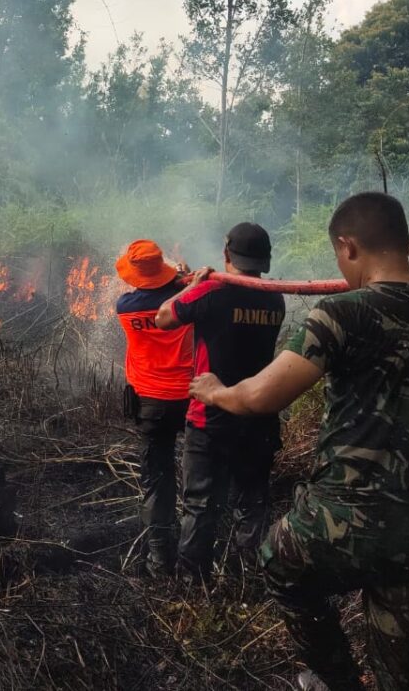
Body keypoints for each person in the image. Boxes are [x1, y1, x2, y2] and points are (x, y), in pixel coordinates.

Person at [187, 192, 409, 691]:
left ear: (347, 247)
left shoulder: (341, 314)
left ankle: (333, 678)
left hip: (342, 521)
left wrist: (216, 390)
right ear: (406, 243)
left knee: (278, 560)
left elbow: (261, 396)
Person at [155, 222, 285, 580]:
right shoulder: (275, 297)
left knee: (199, 505)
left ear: (227, 254)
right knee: (252, 506)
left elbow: (163, 317)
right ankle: (252, 581)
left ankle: (191, 585)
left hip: (210, 418)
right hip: (258, 418)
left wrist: (197, 284)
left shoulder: (212, 291)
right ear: (265, 260)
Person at [114, 239, 194, 577]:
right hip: (192, 398)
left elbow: (147, 295)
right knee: (198, 476)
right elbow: (184, 296)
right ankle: (197, 556)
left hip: (151, 404)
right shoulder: (187, 302)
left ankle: (160, 559)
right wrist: (185, 279)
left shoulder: (125, 307)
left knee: (156, 478)